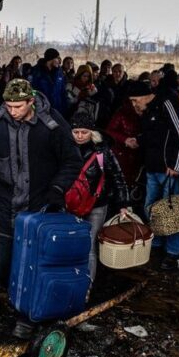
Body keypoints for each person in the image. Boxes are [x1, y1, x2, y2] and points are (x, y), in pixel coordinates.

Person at [0, 78, 82, 338]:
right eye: (8, 105)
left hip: (40, 207)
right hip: (6, 206)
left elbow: (72, 161)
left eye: (18, 106)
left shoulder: (51, 126)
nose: (12, 111)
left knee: (34, 264)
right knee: (3, 262)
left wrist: (58, 189)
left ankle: (27, 317)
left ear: (31, 102)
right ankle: (9, 300)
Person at [128, 81, 179, 270]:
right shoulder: (147, 111)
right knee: (151, 208)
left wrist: (176, 165)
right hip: (152, 167)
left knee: (172, 210)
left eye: (135, 100)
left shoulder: (167, 104)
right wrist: (137, 140)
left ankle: (173, 251)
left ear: (146, 95)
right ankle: (156, 243)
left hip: (169, 169)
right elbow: (152, 135)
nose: (134, 104)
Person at [69, 112, 130, 281]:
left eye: (84, 132)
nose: (80, 136)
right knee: (69, 242)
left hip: (97, 204)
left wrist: (123, 203)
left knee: (88, 246)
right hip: (70, 204)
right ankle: (69, 281)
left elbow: (118, 177)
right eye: (76, 132)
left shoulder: (103, 152)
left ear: (92, 133)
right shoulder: (64, 148)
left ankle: (86, 285)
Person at [31, 48, 67, 115]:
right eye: (57, 58)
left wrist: (65, 109)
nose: (59, 61)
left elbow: (63, 92)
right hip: (43, 111)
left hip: (58, 110)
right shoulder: (37, 73)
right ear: (51, 59)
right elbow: (34, 93)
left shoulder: (59, 73)